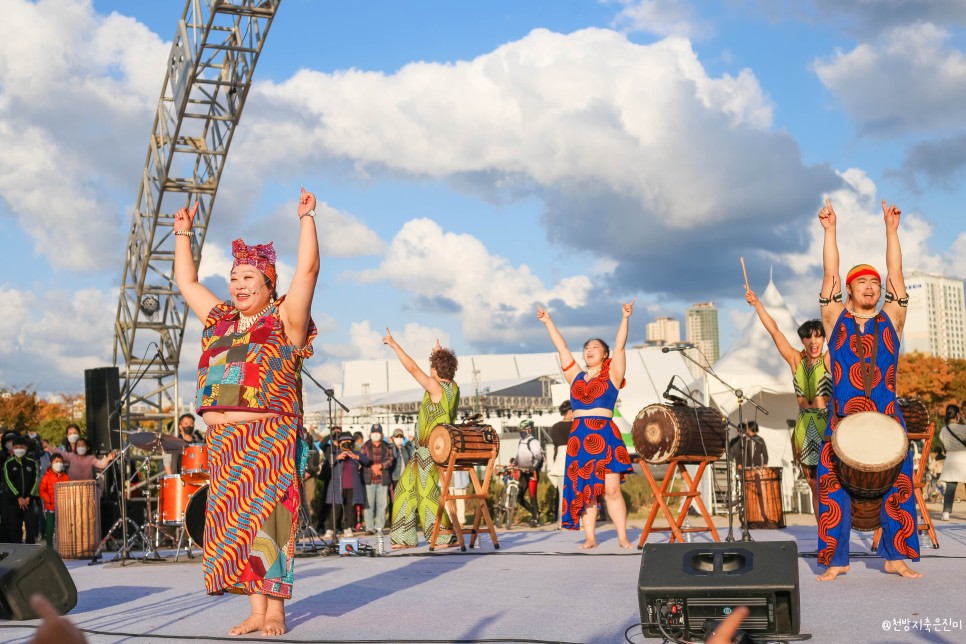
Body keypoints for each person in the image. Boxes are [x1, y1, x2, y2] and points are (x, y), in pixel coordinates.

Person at [173, 187, 320, 636]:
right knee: (239, 527)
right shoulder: (219, 321)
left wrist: (307, 219)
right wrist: (182, 235)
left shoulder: (284, 322)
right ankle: (256, 612)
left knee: (270, 523)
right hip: (224, 445)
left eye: (248, 278)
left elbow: (308, 271)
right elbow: (187, 284)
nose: (237, 284)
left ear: (268, 285)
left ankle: (275, 611)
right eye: (234, 277)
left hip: (267, 444)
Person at [815, 198, 920, 580]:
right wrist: (830, 231)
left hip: (887, 418)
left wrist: (891, 231)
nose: (872, 287)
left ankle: (895, 556)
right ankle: (836, 560)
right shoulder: (835, 319)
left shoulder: (892, 321)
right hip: (843, 419)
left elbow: (897, 273)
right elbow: (830, 272)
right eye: (863, 282)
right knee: (832, 489)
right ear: (849, 289)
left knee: (900, 487)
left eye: (875, 283)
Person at [536, 301, 635, 549]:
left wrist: (624, 318)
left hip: (605, 433)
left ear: (604, 354)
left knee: (611, 489)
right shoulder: (575, 376)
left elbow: (621, 345)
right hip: (580, 437)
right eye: (587, 348)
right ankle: (591, 536)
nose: (589, 350)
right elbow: (562, 347)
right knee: (585, 490)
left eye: (595, 347)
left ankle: (622, 536)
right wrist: (549, 322)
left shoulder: (613, 373)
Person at [745, 289, 828, 516]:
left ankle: (837, 532)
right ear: (802, 340)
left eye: (818, 336)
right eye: (808, 337)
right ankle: (824, 536)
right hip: (804, 427)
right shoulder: (795, 360)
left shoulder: (829, 359)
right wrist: (757, 304)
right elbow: (774, 331)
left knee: (832, 484)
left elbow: (844, 331)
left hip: (827, 424)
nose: (813, 341)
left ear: (823, 338)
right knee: (814, 485)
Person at [384, 331, 459, 549]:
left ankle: (444, 535)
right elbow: (439, 368)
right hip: (422, 451)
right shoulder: (452, 387)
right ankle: (404, 537)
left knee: (427, 491)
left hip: (431, 450)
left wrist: (394, 345)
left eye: (433, 366)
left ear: (435, 369)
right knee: (404, 489)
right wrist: (439, 352)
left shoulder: (436, 388)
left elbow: (412, 369)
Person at [322, 432, 370, 538]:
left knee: (350, 509)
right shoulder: (335, 453)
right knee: (336, 508)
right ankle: (331, 528)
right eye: (344, 443)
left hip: (352, 486)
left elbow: (367, 461)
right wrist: (336, 458)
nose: (347, 444)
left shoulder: (355, 453)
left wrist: (356, 457)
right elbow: (326, 464)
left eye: (349, 442)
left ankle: (347, 527)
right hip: (337, 486)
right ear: (339, 444)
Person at [2, 435, 41, 543]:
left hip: (29, 502)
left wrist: (29, 497)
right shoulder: (8, 464)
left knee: (31, 528)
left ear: (26, 448)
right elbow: (8, 481)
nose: (19, 449)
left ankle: (30, 552)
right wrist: (18, 497)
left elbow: (35, 480)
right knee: (15, 529)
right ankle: (17, 554)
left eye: (22, 447)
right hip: (14, 502)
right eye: (16, 447)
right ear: (12, 448)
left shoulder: (32, 463)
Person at [360, 425, 394, 535]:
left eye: (378, 432)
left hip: (382, 479)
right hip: (369, 479)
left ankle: (379, 527)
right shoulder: (365, 446)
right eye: (373, 432)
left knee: (382, 504)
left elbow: (390, 460)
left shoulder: (387, 446)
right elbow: (362, 459)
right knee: (369, 504)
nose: (376, 434)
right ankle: (369, 528)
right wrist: (373, 468)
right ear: (370, 434)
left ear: (381, 434)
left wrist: (381, 466)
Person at [939, 404, 966, 521]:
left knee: (950, 488)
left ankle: (946, 513)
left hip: (951, 459)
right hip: (964, 458)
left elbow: (943, 442)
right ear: (958, 415)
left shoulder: (944, 430)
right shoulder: (964, 428)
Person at [515, 419, 543, 527]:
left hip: (532, 472)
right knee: (519, 497)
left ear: (529, 430)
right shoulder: (520, 442)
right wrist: (514, 463)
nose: (521, 433)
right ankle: (535, 513)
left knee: (532, 496)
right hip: (523, 472)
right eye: (520, 431)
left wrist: (533, 467)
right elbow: (519, 455)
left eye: (523, 431)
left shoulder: (533, 442)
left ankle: (535, 519)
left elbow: (538, 456)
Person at [39, 453, 68, 547]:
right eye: (56, 461)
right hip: (50, 507)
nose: (59, 463)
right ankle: (49, 547)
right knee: (50, 528)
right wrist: (49, 500)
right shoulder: (46, 477)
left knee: (63, 528)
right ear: (51, 463)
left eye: (60, 461)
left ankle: (63, 547)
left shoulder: (65, 477)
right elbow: (42, 491)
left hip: (63, 507)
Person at [389, 428, 414, 502]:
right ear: (393, 438)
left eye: (401, 437)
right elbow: (394, 455)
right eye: (397, 437)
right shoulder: (391, 448)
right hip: (394, 478)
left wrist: (412, 442)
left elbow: (413, 453)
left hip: (404, 477)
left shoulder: (406, 449)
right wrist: (392, 444)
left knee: (404, 499)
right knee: (394, 500)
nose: (399, 438)